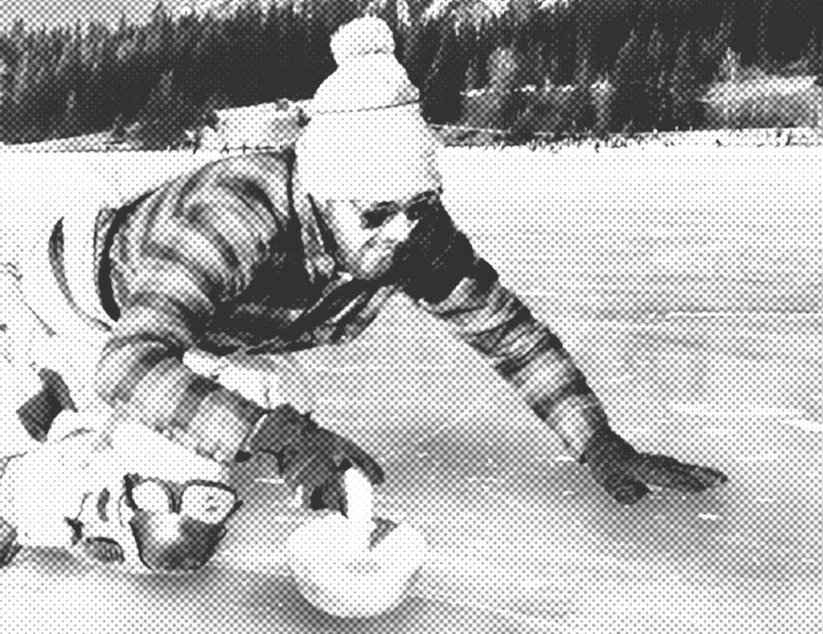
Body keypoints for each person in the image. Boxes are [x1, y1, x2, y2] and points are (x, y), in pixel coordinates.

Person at [0, 17, 726, 573]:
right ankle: (20, 466)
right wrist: (277, 437)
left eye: (416, 205)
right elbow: (131, 363)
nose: (400, 236)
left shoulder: (411, 230)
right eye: (374, 215)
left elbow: (510, 336)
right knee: (162, 532)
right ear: (320, 195)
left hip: (221, 342)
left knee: (191, 518)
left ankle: (73, 416)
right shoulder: (238, 212)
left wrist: (596, 442)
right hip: (68, 301)